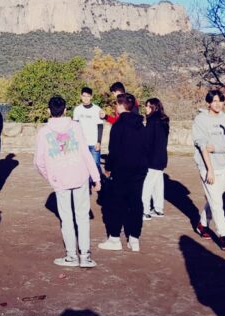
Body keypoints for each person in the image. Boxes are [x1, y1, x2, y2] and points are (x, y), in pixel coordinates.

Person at [35, 96, 102, 268]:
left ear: (48, 111)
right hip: (80, 176)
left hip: (60, 179)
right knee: (82, 217)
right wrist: (96, 178)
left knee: (66, 218)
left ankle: (71, 256)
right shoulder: (76, 126)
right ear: (65, 110)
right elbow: (86, 154)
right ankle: (85, 256)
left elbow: (39, 161)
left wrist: (50, 177)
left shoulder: (43, 132)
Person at [98, 93, 147, 253]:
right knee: (136, 202)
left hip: (121, 170)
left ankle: (114, 238)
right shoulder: (141, 125)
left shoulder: (118, 126)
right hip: (139, 170)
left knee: (117, 203)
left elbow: (113, 151)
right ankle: (134, 238)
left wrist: (108, 168)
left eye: (116, 104)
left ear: (120, 105)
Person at [192, 89, 225, 251]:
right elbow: (202, 146)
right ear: (208, 103)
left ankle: (202, 224)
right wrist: (209, 170)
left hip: (223, 165)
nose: (217, 104)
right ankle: (224, 235)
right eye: (214, 101)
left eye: (220, 100)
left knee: (215, 198)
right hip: (207, 166)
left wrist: (217, 147)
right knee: (217, 202)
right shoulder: (200, 120)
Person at [141, 98, 169, 220]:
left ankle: (145, 211)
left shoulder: (152, 121)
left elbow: (147, 142)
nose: (146, 108)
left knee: (147, 185)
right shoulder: (163, 121)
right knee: (158, 184)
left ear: (154, 107)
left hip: (152, 159)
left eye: (148, 106)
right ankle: (158, 209)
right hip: (161, 157)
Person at [72, 87, 106, 174]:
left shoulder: (97, 109)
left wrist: (99, 142)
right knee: (83, 168)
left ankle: (98, 182)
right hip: (82, 143)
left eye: (88, 96)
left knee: (95, 166)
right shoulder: (77, 110)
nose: (86, 98)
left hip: (94, 144)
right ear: (81, 96)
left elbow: (100, 126)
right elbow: (75, 126)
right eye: (84, 96)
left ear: (91, 97)